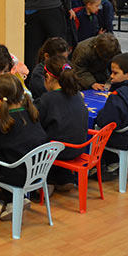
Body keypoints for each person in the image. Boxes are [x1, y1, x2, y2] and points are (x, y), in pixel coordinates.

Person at [0, 73, 48, 220]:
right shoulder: (32, 114)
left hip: (16, 176)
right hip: (37, 173)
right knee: (10, 154)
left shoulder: (0, 124)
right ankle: (16, 199)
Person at [36, 55, 88, 189]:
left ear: (48, 77)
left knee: (32, 138)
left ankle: (46, 181)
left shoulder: (47, 98)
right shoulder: (77, 94)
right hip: (79, 148)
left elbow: (37, 124)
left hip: (57, 152)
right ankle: (65, 178)